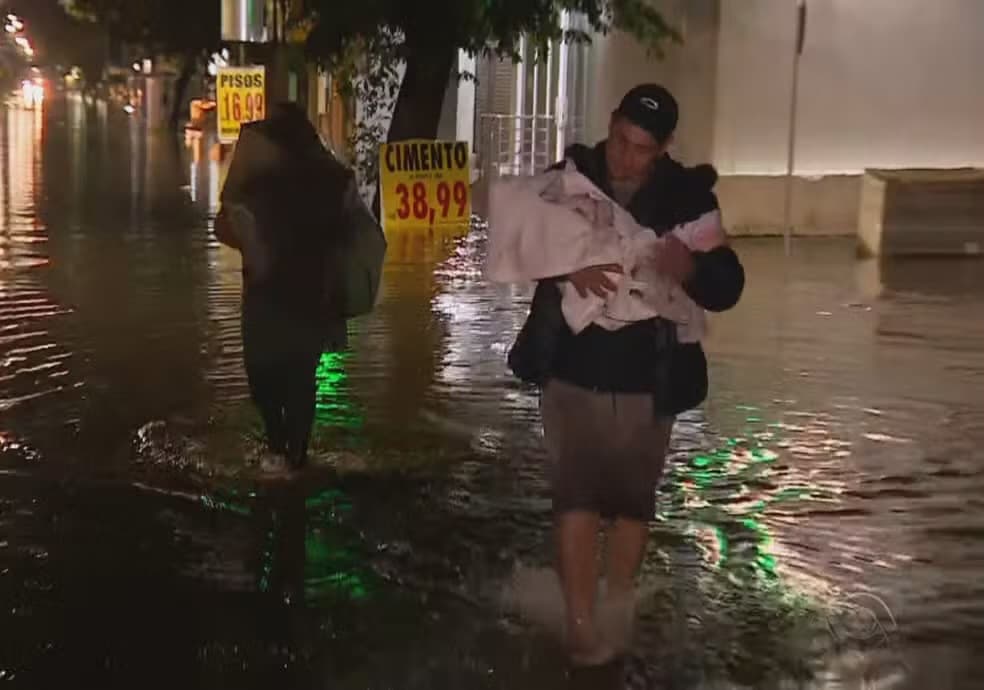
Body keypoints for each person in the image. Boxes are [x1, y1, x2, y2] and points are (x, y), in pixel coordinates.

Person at [509, 84, 745, 665]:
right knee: (577, 496)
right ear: (609, 124)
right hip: (571, 369)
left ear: (662, 149)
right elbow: (514, 236)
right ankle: (581, 625)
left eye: (640, 148)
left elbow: (728, 286)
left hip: (649, 379)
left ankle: (618, 607)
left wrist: (688, 267)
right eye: (619, 139)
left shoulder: (687, 200)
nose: (623, 156)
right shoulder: (571, 177)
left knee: (633, 504)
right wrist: (569, 264)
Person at [215, 103, 349, 474]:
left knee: (269, 377)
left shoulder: (263, 183)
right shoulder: (326, 182)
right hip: (306, 300)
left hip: (271, 300)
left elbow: (222, 228)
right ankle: (294, 457)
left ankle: (281, 450)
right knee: (298, 379)